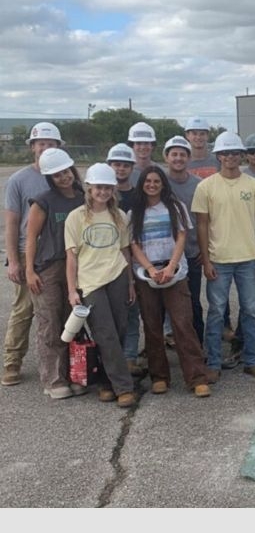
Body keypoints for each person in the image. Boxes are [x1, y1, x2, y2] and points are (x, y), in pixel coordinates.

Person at [192, 131, 255, 382]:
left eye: (235, 153)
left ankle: (252, 360)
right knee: (216, 312)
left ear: (241, 156)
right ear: (219, 156)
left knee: (251, 311)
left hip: (248, 258)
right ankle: (213, 363)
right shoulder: (205, 187)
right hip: (218, 260)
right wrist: (206, 260)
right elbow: (202, 225)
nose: (230, 157)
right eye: (226, 153)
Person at [129, 166, 210, 398]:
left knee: (183, 324)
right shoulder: (134, 212)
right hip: (147, 275)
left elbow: (182, 236)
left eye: (156, 181)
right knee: (152, 327)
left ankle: (197, 377)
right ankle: (159, 376)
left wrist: (171, 266)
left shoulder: (176, 208)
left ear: (163, 184)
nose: (152, 185)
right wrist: (150, 269)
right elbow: (133, 244)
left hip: (174, 274)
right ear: (142, 184)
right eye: (148, 181)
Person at [64, 163, 136, 408]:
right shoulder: (76, 218)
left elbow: (125, 251)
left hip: (116, 276)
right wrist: (72, 290)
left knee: (120, 329)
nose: (103, 192)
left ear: (113, 190)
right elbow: (71, 257)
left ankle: (106, 382)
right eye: (98, 187)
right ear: (89, 188)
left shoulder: (119, 216)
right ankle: (124, 387)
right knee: (105, 332)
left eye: (107, 188)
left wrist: (130, 284)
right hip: (91, 282)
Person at [3, 121, 63, 387]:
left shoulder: (64, 176)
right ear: (32, 148)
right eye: (41, 144)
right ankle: (12, 362)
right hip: (28, 254)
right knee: (24, 309)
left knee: (56, 311)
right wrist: (14, 261)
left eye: (51, 144)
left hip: (58, 254)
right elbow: (13, 222)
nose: (45, 148)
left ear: (59, 148)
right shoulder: (19, 180)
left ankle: (61, 365)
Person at [24, 149, 86, 399]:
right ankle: (53, 379)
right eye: (57, 175)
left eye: (66, 171)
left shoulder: (83, 197)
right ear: (50, 177)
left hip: (79, 267)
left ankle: (75, 374)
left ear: (72, 169)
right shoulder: (43, 201)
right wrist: (29, 270)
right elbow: (30, 238)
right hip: (49, 267)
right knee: (51, 323)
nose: (64, 177)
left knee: (74, 322)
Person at [106, 143, 144, 377]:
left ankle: (129, 357)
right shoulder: (99, 194)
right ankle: (113, 359)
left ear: (132, 167)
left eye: (125, 165)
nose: (120, 169)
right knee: (109, 316)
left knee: (132, 312)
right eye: (116, 164)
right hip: (105, 263)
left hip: (134, 261)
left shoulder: (138, 196)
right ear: (109, 165)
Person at [163, 135, 205, 343]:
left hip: (192, 253)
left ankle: (197, 345)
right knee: (163, 304)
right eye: (174, 154)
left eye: (182, 154)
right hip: (163, 255)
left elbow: (206, 220)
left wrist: (203, 251)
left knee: (192, 302)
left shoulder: (199, 185)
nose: (178, 158)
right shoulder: (158, 182)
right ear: (166, 157)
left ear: (188, 158)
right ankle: (166, 342)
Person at [126, 122, 160, 186]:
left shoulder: (161, 171)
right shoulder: (125, 172)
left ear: (152, 146)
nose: (143, 147)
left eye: (146, 143)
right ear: (132, 145)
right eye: (138, 143)